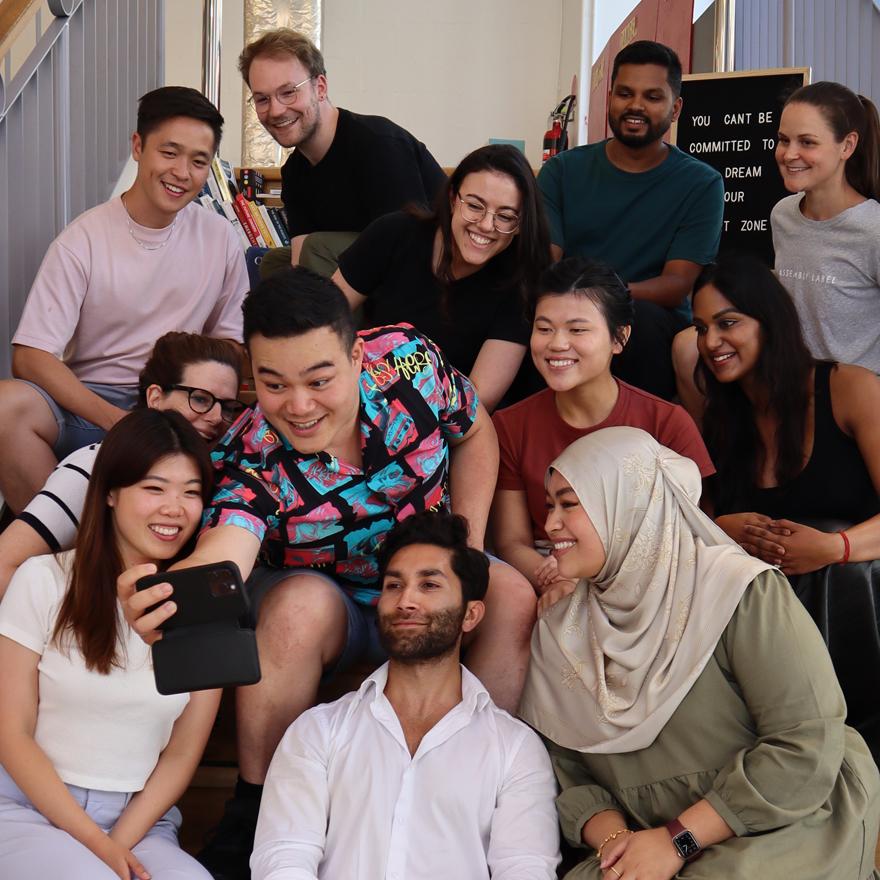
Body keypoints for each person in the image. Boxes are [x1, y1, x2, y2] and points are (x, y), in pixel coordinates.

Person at [121, 268, 537, 880]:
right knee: (296, 608)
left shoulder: (411, 365)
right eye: (274, 383)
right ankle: (257, 804)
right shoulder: (251, 452)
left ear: (358, 355)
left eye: (319, 379)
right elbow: (228, 545)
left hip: (423, 570)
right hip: (325, 598)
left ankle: (481, 776)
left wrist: (467, 545)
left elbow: (474, 431)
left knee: (509, 593)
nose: (299, 405)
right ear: (252, 377)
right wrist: (170, 594)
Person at [519, 426, 880, 880]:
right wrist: (617, 848)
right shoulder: (563, 630)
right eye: (550, 504)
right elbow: (570, 771)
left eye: (569, 504)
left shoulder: (737, 590)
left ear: (628, 502)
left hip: (785, 822)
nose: (550, 523)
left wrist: (678, 839)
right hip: (648, 846)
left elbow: (805, 743)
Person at [251, 511, 560, 880]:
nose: (405, 601)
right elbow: (284, 858)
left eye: (429, 586)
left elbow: (525, 870)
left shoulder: (515, 749)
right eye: (394, 586)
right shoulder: (318, 732)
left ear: (471, 615)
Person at [0, 86, 249, 512]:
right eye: (169, 153)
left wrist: (185, 394)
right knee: (6, 406)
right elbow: (30, 356)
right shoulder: (84, 239)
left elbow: (233, 347)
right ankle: (67, 552)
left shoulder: (221, 238)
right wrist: (116, 419)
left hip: (182, 399)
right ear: (138, 147)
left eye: (198, 161)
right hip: (92, 403)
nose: (182, 172)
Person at [0, 408, 220, 880]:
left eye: (191, 492)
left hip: (139, 821)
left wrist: (115, 845)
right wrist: (96, 847)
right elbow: (11, 732)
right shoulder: (44, 580)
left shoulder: (207, 608)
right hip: (26, 806)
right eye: (155, 488)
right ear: (111, 493)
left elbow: (183, 754)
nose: (174, 508)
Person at [691, 255, 880, 759]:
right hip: (771, 626)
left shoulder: (847, 387)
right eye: (701, 327)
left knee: (842, 568)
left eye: (729, 323)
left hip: (860, 600)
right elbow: (691, 529)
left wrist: (834, 547)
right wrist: (720, 527)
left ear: (769, 321)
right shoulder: (717, 420)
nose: (712, 342)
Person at [492, 258, 714, 613]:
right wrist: (556, 575)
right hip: (549, 581)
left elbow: (695, 535)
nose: (557, 344)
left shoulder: (666, 423)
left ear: (619, 337)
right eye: (544, 328)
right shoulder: (510, 425)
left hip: (649, 590)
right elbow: (511, 540)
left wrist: (587, 575)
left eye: (577, 330)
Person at [537, 40, 722, 401]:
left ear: (676, 107)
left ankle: (643, 447)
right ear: (610, 98)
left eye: (652, 97)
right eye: (625, 93)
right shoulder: (561, 171)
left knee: (643, 324)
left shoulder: (701, 183)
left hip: (647, 320)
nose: (635, 106)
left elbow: (675, 284)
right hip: (566, 306)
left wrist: (598, 300)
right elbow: (545, 263)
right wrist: (576, 309)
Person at [0, 332, 245, 598]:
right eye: (199, 399)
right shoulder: (94, 465)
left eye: (228, 407)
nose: (217, 417)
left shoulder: (231, 476)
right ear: (155, 398)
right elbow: (4, 565)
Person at [332, 144, 551, 411]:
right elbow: (322, 319)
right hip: (359, 396)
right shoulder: (393, 234)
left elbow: (478, 400)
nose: (485, 225)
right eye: (474, 206)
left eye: (505, 217)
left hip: (447, 423)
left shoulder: (520, 283)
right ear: (452, 198)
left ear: (520, 225)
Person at [238, 28, 445, 278]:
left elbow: (407, 251)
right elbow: (299, 261)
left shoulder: (378, 144)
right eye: (262, 99)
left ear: (321, 87)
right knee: (274, 264)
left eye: (288, 92)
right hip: (369, 268)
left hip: (433, 271)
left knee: (319, 248)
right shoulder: (295, 172)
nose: (276, 110)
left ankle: (327, 319)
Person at [772, 81, 880, 373]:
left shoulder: (874, 230)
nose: (789, 154)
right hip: (793, 386)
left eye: (807, 142)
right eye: (783, 140)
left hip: (859, 401)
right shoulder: (782, 215)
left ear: (847, 145)